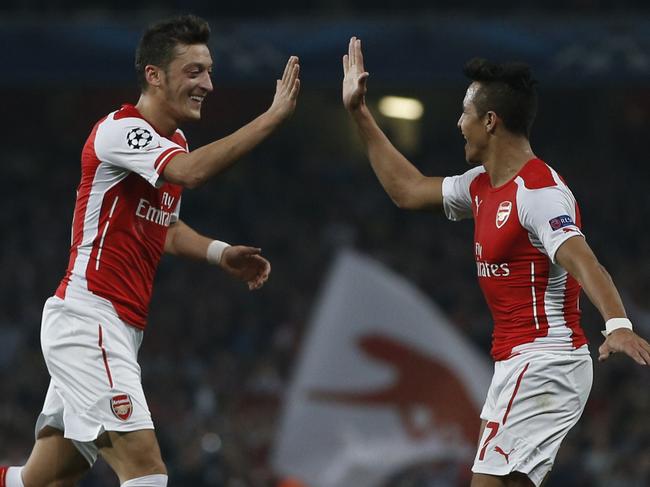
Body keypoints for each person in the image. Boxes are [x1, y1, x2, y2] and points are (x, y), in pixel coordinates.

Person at [0, 15, 300, 487]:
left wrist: (220, 253)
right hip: (89, 319)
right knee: (146, 471)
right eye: (194, 71)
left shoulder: (172, 141)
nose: (208, 84)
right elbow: (190, 172)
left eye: (209, 71)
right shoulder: (121, 131)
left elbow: (166, 227)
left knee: (43, 479)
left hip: (113, 327)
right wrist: (272, 117)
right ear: (154, 75)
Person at [341, 37, 650, 487]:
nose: (458, 123)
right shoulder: (481, 186)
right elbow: (406, 190)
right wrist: (359, 113)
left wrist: (617, 323)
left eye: (465, 113)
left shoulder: (538, 193)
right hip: (514, 364)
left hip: (547, 360)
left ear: (490, 121)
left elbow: (583, 259)